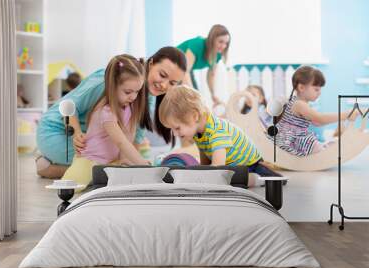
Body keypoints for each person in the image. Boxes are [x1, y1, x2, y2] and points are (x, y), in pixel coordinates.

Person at [36, 47, 186, 179]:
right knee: (102, 160)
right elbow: (68, 106)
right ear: (151, 64)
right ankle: (48, 168)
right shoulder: (107, 81)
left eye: (172, 83)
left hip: (92, 135)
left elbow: (136, 135)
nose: (164, 85)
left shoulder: (146, 95)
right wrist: (75, 133)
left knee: (115, 161)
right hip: (56, 131)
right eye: (162, 75)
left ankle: (62, 165)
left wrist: (132, 163)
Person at [159, 85, 282, 187]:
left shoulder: (217, 131)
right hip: (233, 165)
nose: (174, 134)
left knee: (223, 179)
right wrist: (202, 169)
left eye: (177, 128)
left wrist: (201, 176)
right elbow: (206, 156)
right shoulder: (198, 132)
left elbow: (217, 168)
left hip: (250, 165)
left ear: (194, 116)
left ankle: (255, 179)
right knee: (222, 177)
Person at [61, 55, 149, 190]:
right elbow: (121, 141)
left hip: (111, 162)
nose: (133, 97)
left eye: (137, 91)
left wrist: (124, 159)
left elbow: (128, 136)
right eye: (128, 92)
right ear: (112, 86)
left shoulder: (129, 106)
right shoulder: (106, 111)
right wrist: (144, 165)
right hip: (90, 160)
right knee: (71, 187)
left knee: (127, 179)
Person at [274, 66, 358, 156]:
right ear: (301, 88)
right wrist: (346, 115)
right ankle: (333, 144)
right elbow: (319, 119)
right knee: (320, 148)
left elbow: (317, 122)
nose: (319, 92)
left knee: (320, 145)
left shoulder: (298, 102)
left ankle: (333, 142)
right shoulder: (299, 104)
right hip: (292, 141)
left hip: (291, 139)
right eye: (316, 89)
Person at [177, 24, 230, 107]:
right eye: (220, 42)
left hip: (185, 70)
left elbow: (211, 75)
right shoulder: (198, 44)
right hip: (174, 65)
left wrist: (213, 94)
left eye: (226, 43)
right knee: (189, 99)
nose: (223, 46)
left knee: (196, 99)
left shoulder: (217, 54)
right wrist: (192, 94)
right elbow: (185, 70)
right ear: (212, 39)